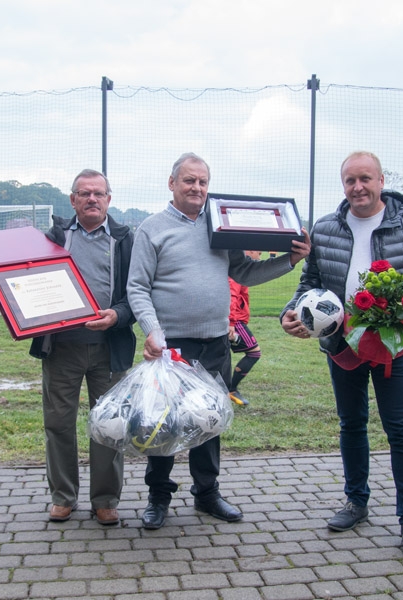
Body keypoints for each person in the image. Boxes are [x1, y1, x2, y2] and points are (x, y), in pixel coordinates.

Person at [127, 152, 310, 530]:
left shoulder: (220, 224)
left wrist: (289, 262)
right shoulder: (152, 228)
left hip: (214, 343)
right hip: (171, 346)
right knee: (165, 425)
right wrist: (152, 331)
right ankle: (158, 497)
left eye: (203, 182)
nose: (196, 188)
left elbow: (243, 270)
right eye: (189, 180)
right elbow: (137, 287)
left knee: (208, 422)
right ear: (172, 183)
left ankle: (207, 494)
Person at [281, 151, 403, 560]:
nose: (358, 187)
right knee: (352, 424)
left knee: (401, 431)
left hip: (393, 344)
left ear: (381, 180)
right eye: (350, 180)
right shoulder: (327, 228)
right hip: (342, 345)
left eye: (365, 179)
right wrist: (292, 310)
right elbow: (310, 281)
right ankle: (356, 501)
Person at [0, 169, 135, 525]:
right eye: (84, 193)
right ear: (73, 200)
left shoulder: (126, 239)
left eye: (98, 193)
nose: (92, 199)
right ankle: (63, 496)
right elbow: (20, 275)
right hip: (61, 347)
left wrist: (116, 315)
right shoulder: (53, 237)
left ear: (109, 199)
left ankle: (106, 499)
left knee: (109, 425)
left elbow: (137, 293)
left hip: (109, 347)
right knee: (58, 423)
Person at [227, 250, 263, 406]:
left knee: (223, 356)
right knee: (254, 353)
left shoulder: (238, 267)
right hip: (235, 321)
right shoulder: (237, 268)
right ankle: (231, 389)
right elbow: (232, 295)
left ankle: (225, 389)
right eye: (259, 254)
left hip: (234, 319)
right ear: (251, 252)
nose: (259, 258)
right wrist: (231, 322)